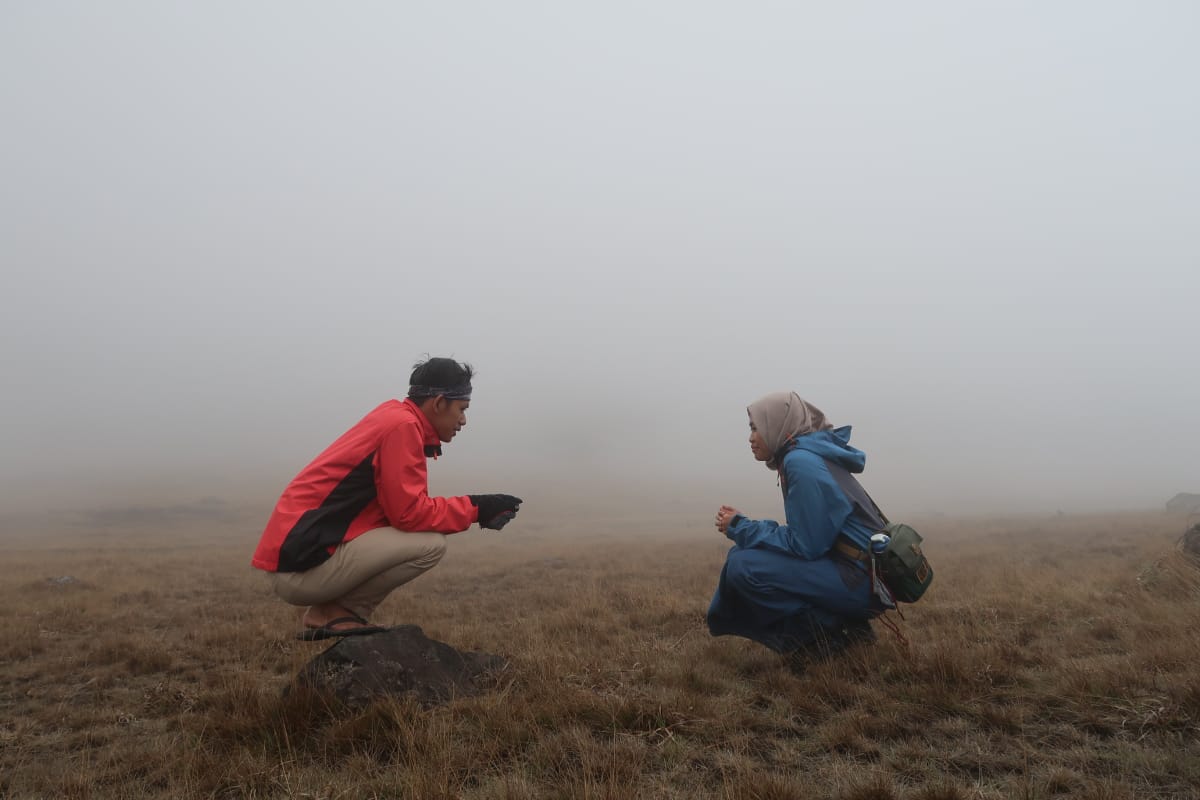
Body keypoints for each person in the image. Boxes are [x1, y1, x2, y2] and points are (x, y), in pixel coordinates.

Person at [251, 357, 523, 640]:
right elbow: (409, 514)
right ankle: (336, 613)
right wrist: (478, 507)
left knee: (421, 538)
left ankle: (331, 611)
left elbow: (397, 509)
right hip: (298, 569)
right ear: (440, 403)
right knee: (430, 545)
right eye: (462, 409)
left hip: (295, 560)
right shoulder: (402, 427)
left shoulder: (394, 417)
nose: (464, 420)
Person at [707, 391, 882, 664]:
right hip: (859, 573)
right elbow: (814, 537)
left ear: (777, 425)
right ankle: (838, 630)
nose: (751, 438)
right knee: (740, 558)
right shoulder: (805, 456)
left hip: (859, 580)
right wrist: (744, 529)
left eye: (757, 428)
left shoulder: (800, 463)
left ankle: (833, 637)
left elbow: (807, 546)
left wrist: (741, 527)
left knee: (744, 567)